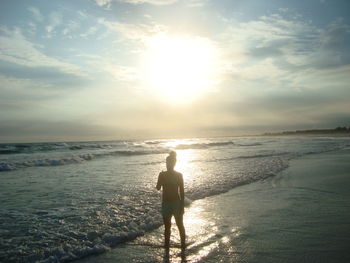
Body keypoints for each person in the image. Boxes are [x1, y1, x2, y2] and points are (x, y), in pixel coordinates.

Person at [156, 151, 186, 250]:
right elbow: (158, 188)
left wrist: (182, 206)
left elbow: (182, 191)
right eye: (166, 163)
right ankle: (167, 246)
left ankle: (183, 245)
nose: (168, 164)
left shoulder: (179, 175)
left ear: (174, 163)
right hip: (166, 203)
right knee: (167, 227)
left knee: (179, 225)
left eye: (169, 163)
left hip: (176, 203)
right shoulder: (162, 174)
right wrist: (160, 179)